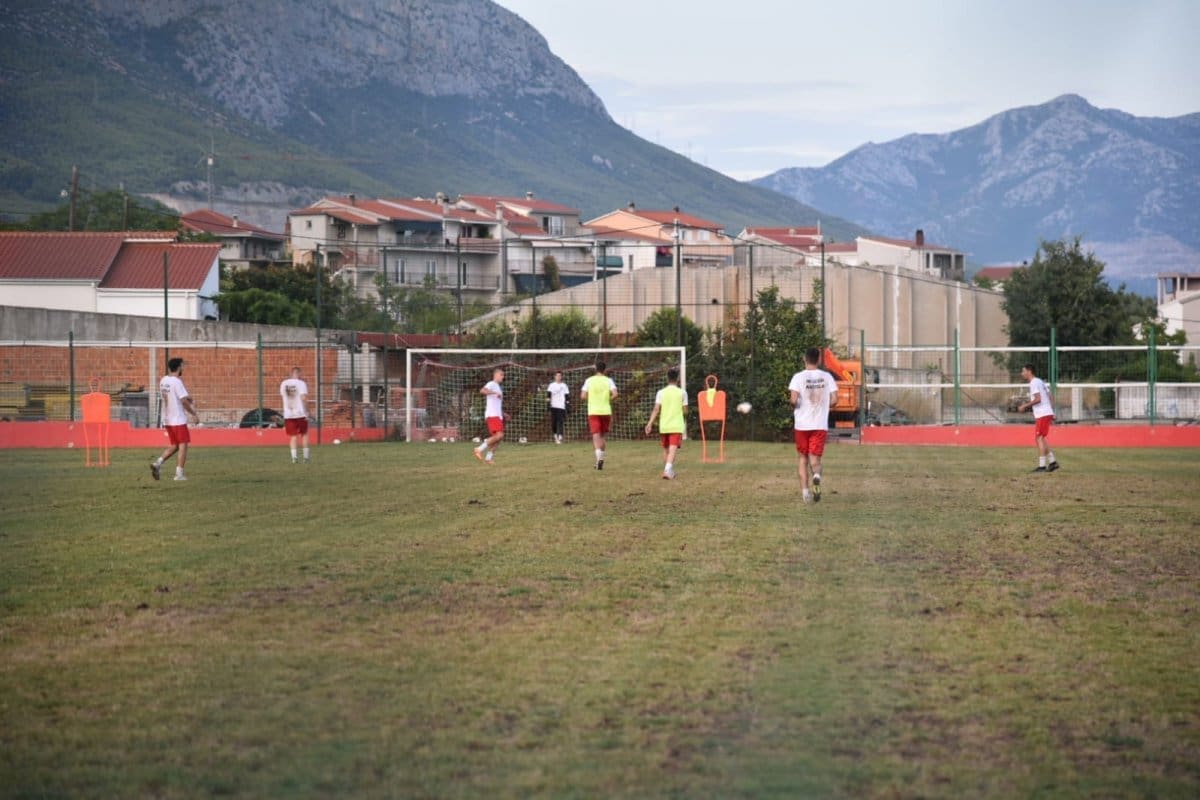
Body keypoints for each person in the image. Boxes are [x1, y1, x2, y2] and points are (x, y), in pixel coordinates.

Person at [787, 346, 839, 503]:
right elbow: (835, 400)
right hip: (819, 425)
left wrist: (794, 405)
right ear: (819, 360)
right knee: (815, 460)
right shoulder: (827, 377)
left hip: (801, 425)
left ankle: (805, 494)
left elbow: (793, 400)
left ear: (805, 359)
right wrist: (824, 406)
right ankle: (816, 475)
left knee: (802, 459)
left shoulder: (798, 377)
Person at [151, 356, 199, 482]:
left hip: (167, 419)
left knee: (175, 445)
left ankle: (157, 463)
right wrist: (193, 414)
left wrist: (188, 397)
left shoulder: (164, 380)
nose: (183, 368)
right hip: (178, 419)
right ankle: (179, 474)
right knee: (183, 445)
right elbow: (182, 401)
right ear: (179, 367)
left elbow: (174, 394)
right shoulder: (177, 382)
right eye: (182, 366)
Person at [644, 367, 688, 479]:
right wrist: (683, 415)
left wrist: (649, 423)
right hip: (676, 425)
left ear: (667, 378)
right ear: (677, 378)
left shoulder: (661, 392)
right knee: (673, 449)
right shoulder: (682, 392)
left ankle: (668, 471)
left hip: (664, 425)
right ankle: (667, 470)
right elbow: (685, 411)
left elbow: (656, 409)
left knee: (666, 450)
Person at [1018, 363, 1060, 472]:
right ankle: (1053, 462)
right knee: (1041, 438)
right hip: (1045, 413)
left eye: (1023, 371)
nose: (1022, 373)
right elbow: (1050, 396)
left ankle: (1042, 466)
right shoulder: (1040, 381)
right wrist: (1051, 411)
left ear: (1029, 371)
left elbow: (1038, 399)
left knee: (1039, 438)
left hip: (1042, 413)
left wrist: (1024, 406)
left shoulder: (1033, 383)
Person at [581, 361, 618, 469]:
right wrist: (607, 399)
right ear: (604, 370)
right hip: (605, 410)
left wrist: (592, 399)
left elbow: (583, 396)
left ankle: (599, 459)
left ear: (595, 369)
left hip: (593, 411)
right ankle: (600, 459)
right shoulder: (608, 380)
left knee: (595, 435)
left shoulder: (589, 380)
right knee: (602, 435)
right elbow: (615, 394)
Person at [474, 367, 505, 464]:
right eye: (501, 375)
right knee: (500, 435)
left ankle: (488, 458)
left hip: (497, 415)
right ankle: (479, 449)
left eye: (503, 375)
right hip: (492, 415)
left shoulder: (498, 387)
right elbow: (482, 391)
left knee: (498, 438)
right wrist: (494, 392)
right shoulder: (492, 383)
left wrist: (503, 413)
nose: (503, 377)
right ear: (495, 375)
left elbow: (496, 403)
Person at [280, 366, 310, 463]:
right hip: (301, 413)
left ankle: (294, 458)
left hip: (289, 413)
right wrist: (307, 411)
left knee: (293, 436)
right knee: (304, 434)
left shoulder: (284, 383)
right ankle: (306, 458)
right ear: (299, 373)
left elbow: (284, 396)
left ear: (291, 373)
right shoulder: (301, 383)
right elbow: (303, 398)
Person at [546, 370, 569, 444]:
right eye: (557, 376)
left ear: (561, 377)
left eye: (560, 376)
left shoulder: (564, 385)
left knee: (560, 421)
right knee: (554, 422)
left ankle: (560, 436)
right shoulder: (551, 385)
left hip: (561, 406)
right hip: (553, 406)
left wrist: (567, 404)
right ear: (555, 377)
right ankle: (555, 436)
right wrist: (548, 404)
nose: (558, 377)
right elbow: (548, 395)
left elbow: (567, 396)